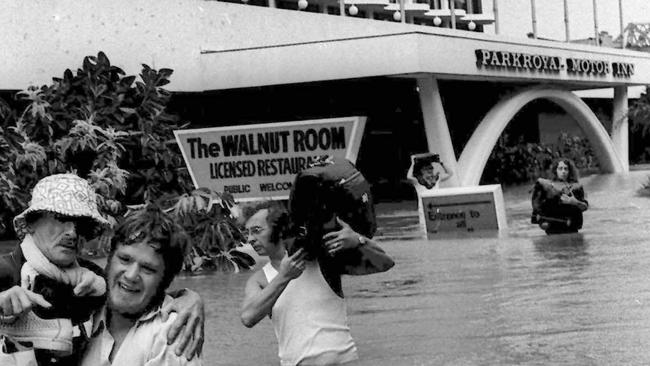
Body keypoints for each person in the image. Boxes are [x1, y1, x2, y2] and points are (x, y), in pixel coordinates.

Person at [0, 174, 204, 365]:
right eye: (60, 218)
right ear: (31, 224)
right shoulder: (6, 271)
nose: (71, 233)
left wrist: (189, 296)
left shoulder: (89, 287)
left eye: (148, 269)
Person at [240, 202, 394, 366]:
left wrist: (358, 240)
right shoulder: (259, 279)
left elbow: (386, 263)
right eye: (247, 233)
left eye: (256, 231)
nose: (250, 239)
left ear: (279, 229)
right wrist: (284, 276)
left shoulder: (323, 259)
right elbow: (248, 317)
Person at [79, 203, 202, 365]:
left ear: (166, 279)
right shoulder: (84, 309)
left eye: (148, 269)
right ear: (109, 259)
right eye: (124, 259)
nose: (131, 276)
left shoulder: (171, 331)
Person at [531, 158, 589, 234]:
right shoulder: (546, 186)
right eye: (560, 169)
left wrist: (575, 202)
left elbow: (585, 207)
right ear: (555, 170)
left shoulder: (577, 187)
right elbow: (536, 206)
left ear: (570, 171)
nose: (563, 171)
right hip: (552, 229)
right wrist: (541, 221)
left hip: (571, 229)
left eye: (566, 169)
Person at [406, 153, 454, 230]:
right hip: (424, 210)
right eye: (427, 169)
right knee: (425, 229)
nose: (430, 171)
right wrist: (413, 164)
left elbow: (450, 173)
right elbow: (409, 177)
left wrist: (441, 163)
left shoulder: (437, 179)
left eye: (431, 168)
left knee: (438, 227)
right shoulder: (418, 181)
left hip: (437, 208)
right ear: (422, 171)